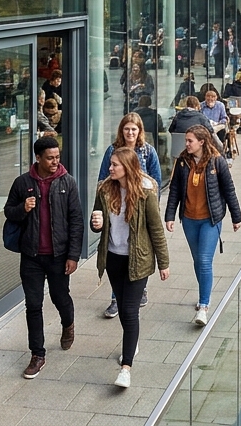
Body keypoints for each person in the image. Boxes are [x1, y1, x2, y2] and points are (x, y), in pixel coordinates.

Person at [4, 135, 84, 378]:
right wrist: (22, 209)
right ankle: (37, 354)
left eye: (57, 157)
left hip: (59, 256)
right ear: (37, 158)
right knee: (33, 304)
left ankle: (68, 324)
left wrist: (73, 255)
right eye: (50, 158)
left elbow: (76, 221)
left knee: (61, 298)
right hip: (31, 256)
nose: (55, 162)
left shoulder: (67, 183)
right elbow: (9, 212)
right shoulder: (22, 183)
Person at [91, 146, 169, 388]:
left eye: (115, 164)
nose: (110, 168)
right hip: (114, 258)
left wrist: (164, 263)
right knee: (124, 310)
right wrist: (97, 224)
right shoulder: (104, 189)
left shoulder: (146, 193)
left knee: (129, 310)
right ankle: (131, 341)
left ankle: (126, 368)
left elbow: (156, 230)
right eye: (111, 164)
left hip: (139, 259)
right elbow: (97, 224)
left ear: (128, 167)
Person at [165, 125, 241, 326]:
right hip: (189, 219)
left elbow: (229, 190)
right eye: (186, 141)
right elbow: (174, 190)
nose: (187, 144)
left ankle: (203, 306)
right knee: (197, 261)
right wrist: (170, 215)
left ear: (202, 142)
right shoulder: (182, 162)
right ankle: (204, 293)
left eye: (190, 140)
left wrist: (236, 217)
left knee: (205, 260)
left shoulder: (217, 161)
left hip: (210, 220)